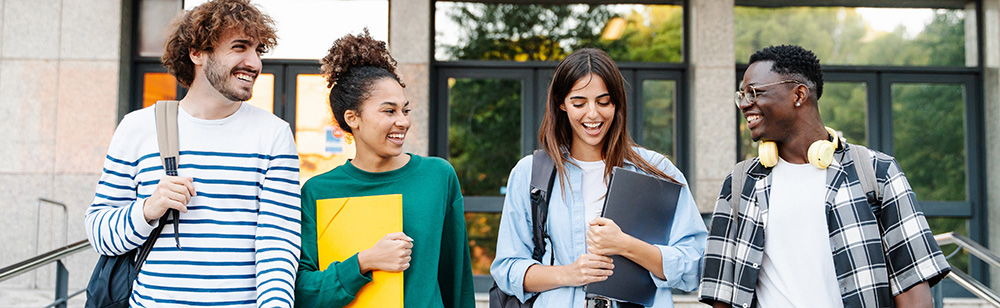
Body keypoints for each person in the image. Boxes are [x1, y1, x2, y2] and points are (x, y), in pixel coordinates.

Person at [84, 0, 301, 306]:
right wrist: (147, 209)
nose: (254, 62)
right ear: (197, 52)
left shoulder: (274, 134)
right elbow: (99, 232)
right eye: (240, 47)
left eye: (258, 50)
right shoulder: (137, 128)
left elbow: (278, 244)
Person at [699, 45, 950, 308]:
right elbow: (722, 295)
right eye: (741, 95)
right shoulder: (739, 183)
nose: (745, 104)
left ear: (798, 94)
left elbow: (912, 287)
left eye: (754, 92)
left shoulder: (877, 172)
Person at [491, 48, 707, 308]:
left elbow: (696, 264)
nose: (592, 114)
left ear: (617, 103)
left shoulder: (657, 171)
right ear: (561, 103)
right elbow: (507, 268)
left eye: (603, 102)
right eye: (579, 103)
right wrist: (569, 273)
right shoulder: (530, 173)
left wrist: (626, 245)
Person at [294, 29, 475, 308]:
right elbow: (304, 292)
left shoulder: (438, 177)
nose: (402, 121)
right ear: (352, 118)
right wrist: (364, 262)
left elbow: (457, 281)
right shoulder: (318, 192)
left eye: (405, 110)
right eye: (389, 111)